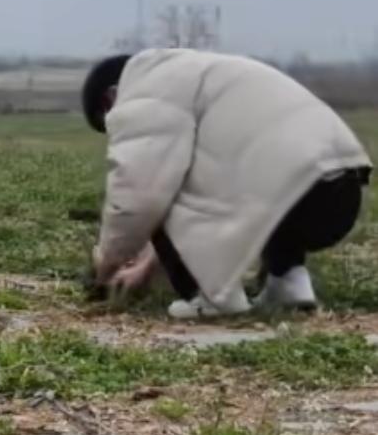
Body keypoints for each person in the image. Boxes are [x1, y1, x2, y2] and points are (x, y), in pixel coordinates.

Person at [81, 48, 371, 321]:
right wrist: (146, 267)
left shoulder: (144, 93)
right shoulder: (194, 75)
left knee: (164, 185)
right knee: (251, 167)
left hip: (288, 190)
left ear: (110, 100)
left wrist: (106, 265)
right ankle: (288, 281)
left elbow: (144, 195)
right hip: (340, 193)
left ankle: (211, 297)